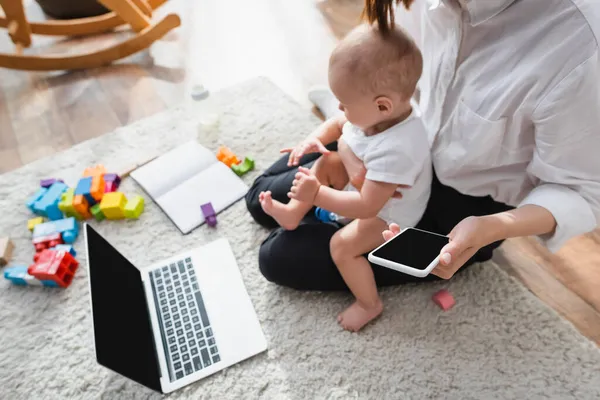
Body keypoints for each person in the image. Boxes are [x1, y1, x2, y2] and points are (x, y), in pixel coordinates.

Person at [245, 0, 600, 292]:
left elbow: (584, 193)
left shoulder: (580, 47)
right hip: (392, 137)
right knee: (259, 198)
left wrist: (494, 227)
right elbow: (379, 71)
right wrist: (352, 156)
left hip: (463, 203)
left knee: (277, 256)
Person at [259, 24, 430, 331]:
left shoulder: (399, 149)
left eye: (345, 103)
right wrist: (311, 141)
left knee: (342, 246)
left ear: (382, 105)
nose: (339, 107)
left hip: (390, 215)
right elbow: (339, 124)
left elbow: (367, 207)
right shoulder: (379, 114)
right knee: (325, 164)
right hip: (366, 183)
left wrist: (317, 195)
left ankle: (369, 303)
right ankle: (292, 214)